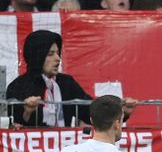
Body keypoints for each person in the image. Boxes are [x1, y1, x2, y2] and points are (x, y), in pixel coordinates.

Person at [6, 29, 136, 128]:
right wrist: (27, 113)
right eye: (50, 54)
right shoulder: (17, 87)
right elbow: (11, 128)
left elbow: (93, 113)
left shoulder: (66, 83)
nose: (57, 59)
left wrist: (122, 112)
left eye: (58, 53)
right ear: (37, 56)